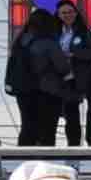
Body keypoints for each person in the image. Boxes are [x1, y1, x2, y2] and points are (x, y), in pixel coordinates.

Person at [11, 9, 69, 146]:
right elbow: (63, 67)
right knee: (47, 131)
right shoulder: (48, 42)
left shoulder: (20, 41)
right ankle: (44, 160)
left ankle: (23, 158)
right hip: (47, 91)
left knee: (27, 126)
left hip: (23, 91)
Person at [56, 0, 91, 146]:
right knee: (67, 114)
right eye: (64, 13)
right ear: (58, 15)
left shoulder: (84, 32)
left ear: (76, 13)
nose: (67, 15)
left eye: (70, 12)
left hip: (77, 78)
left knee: (79, 113)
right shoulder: (55, 32)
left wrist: (74, 54)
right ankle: (69, 145)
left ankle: (82, 145)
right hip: (59, 78)